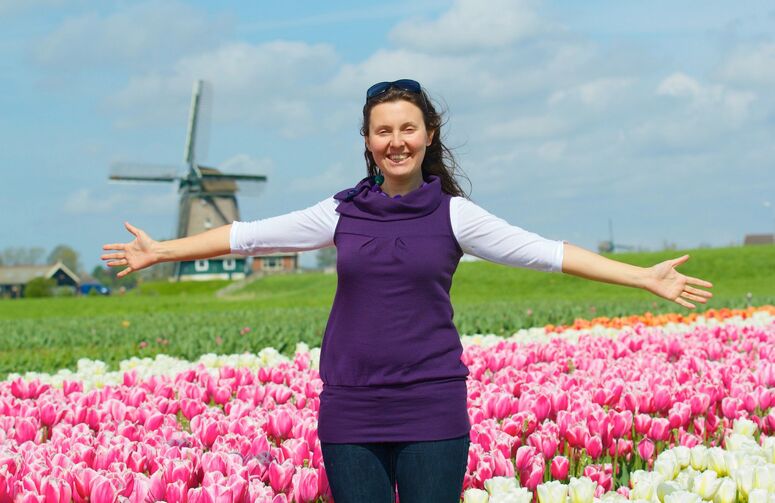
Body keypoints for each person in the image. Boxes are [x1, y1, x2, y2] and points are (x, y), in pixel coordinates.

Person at [101, 79, 713, 503]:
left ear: (428, 134)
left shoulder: (454, 215)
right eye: (382, 131)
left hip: (430, 403)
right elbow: (248, 236)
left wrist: (643, 276)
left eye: (407, 129)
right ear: (368, 141)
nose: (395, 141)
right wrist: (161, 250)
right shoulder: (340, 212)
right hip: (351, 406)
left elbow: (545, 252)